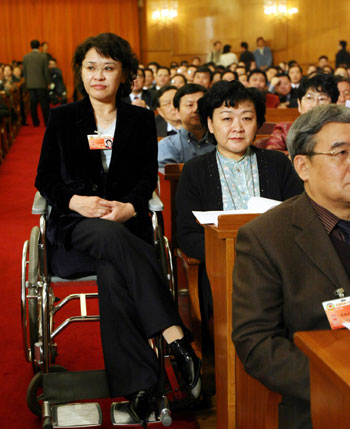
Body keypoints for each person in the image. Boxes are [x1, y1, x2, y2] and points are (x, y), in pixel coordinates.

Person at [34, 32, 201, 427]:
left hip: (124, 226)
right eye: (91, 67)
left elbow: (146, 179)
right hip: (77, 228)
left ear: (123, 74)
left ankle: (142, 388)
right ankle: (177, 339)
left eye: (108, 68)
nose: (98, 76)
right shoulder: (62, 118)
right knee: (111, 241)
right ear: (80, 73)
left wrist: (128, 207)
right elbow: (45, 178)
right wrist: (76, 203)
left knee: (114, 270)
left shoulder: (141, 120)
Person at [232, 104, 350, 429]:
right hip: (324, 402)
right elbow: (256, 342)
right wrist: (335, 380)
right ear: (303, 166)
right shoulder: (266, 237)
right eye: (340, 153)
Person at [175, 80, 303, 326]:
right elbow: (187, 234)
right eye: (226, 119)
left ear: (257, 123)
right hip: (222, 270)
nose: (237, 127)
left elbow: (298, 218)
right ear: (210, 124)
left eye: (246, 118)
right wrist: (231, 255)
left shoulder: (278, 164)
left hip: (278, 265)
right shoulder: (195, 171)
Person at [265, 73, 339, 151]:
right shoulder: (284, 130)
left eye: (322, 99)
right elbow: (271, 157)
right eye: (309, 98)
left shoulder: (341, 132)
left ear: (333, 105)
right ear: (299, 105)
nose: (315, 104)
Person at [158, 83, 214, 167]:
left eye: (201, 104)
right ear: (177, 112)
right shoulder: (168, 145)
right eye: (190, 105)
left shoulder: (221, 142)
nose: (196, 109)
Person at [23, 39, 50, 126]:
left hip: (30, 84)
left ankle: (35, 122)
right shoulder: (43, 56)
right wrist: (48, 82)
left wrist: (27, 82)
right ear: (39, 46)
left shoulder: (25, 57)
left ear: (31, 46)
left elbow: (25, 72)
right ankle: (46, 121)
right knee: (44, 104)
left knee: (33, 104)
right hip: (41, 84)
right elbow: (46, 71)